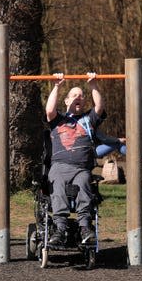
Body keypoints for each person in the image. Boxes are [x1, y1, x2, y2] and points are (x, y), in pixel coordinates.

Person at [45, 72, 105, 247]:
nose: (78, 97)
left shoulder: (88, 119)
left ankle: (85, 228)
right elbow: (49, 110)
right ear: (66, 101)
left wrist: (93, 85)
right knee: (57, 186)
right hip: (60, 166)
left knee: (85, 186)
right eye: (74, 95)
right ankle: (60, 228)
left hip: (81, 168)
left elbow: (99, 106)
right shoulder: (58, 120)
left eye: (81, 95)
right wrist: (57, 86)